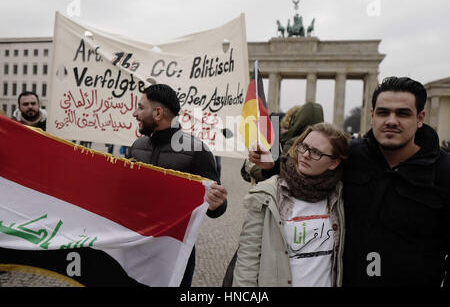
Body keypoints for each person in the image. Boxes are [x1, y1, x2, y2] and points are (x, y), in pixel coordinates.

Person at [248, 76, 450, 287]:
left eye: (403, 113)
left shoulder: (445, 172)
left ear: (420, 118)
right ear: (372, 116)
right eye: (383, 112)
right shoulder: (353, 155)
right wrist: (272, 167)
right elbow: (309, 174)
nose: (391, 120)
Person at [127, 83, 228, 287]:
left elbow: (215, 209)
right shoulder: (136, 147)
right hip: (135, 249)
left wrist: (218, 203)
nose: (134, 113)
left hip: (175, 253)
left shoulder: (197, 151)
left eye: (140, 107)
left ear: (157, 113)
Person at [233, 123, 349, 287]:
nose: (306, 155)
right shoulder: (268, 194)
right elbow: (248, 260)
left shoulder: (340, 197)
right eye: (304, 146)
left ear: (334, 163)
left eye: (316, 152)